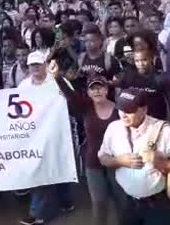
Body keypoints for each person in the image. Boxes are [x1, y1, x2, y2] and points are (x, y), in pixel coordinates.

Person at [98, 88, 170, 225]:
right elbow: (103, 157)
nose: (123, 114)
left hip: (158, 205)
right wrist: (119, 161)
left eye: (129, 110)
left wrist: (163, 164)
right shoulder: (114, 129)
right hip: (127, 202)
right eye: (121, 109)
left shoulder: (165, 131)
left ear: (144, 109)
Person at [57, 75, 122, 225]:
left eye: (100, 87)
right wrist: (57, 77)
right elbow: (70, 94)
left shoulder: (119, 109)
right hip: (93, 163)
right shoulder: (85, 107)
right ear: (88, 92)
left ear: (106, 89)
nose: (97, 91)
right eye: (92, 88)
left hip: (117, 162)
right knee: (99, 203)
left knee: (122, 201)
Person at [18, 51, 75, 225]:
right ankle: (38, 213)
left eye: (38, 64)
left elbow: (72, 101)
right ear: (27, 67)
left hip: (58, 133)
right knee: (40, 171)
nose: (35, 68)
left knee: (60, 167)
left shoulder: (58, 81)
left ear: (45, 64)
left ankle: (66, 201)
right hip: (35, 136)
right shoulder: (23, 86)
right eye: (32, 65)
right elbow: (17, 110)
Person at [115, 49, 170, 125]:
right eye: (137, 61)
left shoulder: (161, 78)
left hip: (156, 119)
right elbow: (120, 97)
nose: (141, 64)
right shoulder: (128, 76)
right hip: (135, 119)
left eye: (144, 60)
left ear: (152, 58)